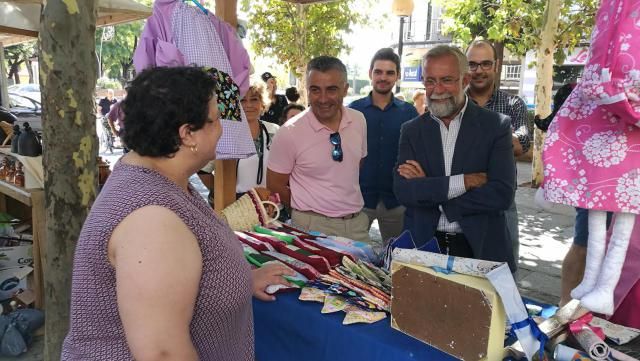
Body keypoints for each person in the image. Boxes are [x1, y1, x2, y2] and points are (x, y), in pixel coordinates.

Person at [62, 67, 293, 360]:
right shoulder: (152, 222)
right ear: (188, 134)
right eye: (216, 119)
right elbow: (164, 353)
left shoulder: (157, 178)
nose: (223, 127)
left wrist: (242, 279)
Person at [393, 45, 517, 271]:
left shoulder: (496, 126)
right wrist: (465, 181)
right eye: (430, 81)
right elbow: (404, 191)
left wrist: (432, 192)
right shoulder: (411, 130)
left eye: (447, 80)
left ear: (465, 79)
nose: (437, 89)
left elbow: (502, 194)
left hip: (480, 249)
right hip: (423, 247)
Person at [267, 56, 370, 244]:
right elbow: (275, 184)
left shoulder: (359, 120)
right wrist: (306, 210)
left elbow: (356, 165)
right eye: (315, 90)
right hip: (311, 228)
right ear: (307, 90)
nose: (323, 99)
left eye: (331, 89)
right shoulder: (289, 133)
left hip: (357, 225)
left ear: (345, 89)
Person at [466, 39, 531, 265]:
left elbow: (522, 144)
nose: (479, 71)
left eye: (485, 64)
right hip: (460, 197)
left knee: (504, 268)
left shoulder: (513, 104)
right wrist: (500, 138)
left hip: (501, 201)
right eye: (472, 65)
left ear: (496, 65)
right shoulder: (454, 103)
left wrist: (474, 140)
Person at [349, 48, 419, 243]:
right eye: (378, 71)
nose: (383, 77)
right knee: (352, 254)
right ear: (370, 73)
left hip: (396, 199)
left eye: (389, 72)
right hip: (359, 198)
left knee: (397, 256)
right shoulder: (353, 110)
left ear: (397, 76)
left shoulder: (409, 112)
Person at [237, 83, 280, 197]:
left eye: (254, 99)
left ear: (262, 104)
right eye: (243, 100)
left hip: (270, 206)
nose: (249, 105)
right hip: (237, 208)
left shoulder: (275, 131)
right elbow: (204, 171)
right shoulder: (226, 134)